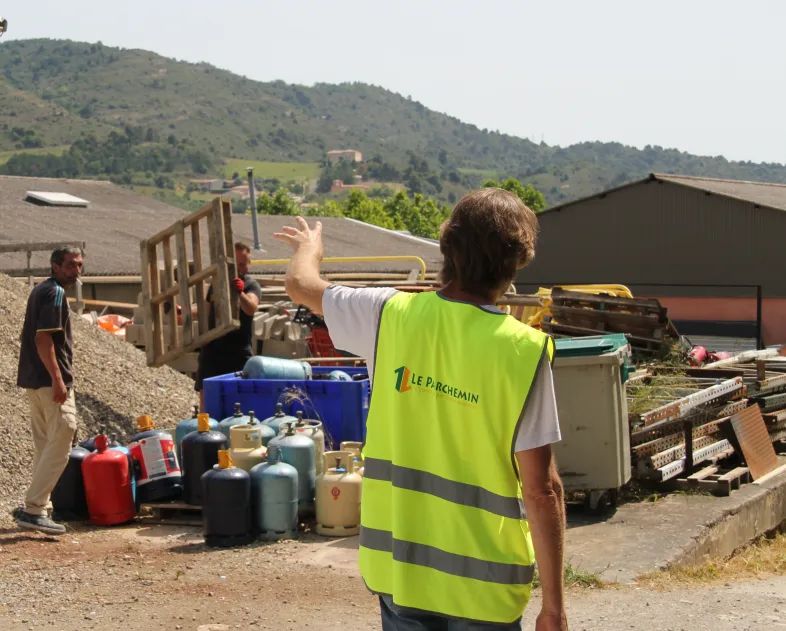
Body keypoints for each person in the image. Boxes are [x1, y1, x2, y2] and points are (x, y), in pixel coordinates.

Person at [274, 189, 568, 631]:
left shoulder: (386, 315)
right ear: (515, 264)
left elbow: (300, 285)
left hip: (402, 571)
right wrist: (554, 607)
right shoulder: (522, 351)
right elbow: (541, 491)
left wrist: (309, 249)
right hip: (484, 585)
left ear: (446, 247)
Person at [12, 246, 84, 536]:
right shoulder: (54, 293)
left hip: (34, 380)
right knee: (65, 430)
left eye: (79, 265)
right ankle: (34, 507)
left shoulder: (40, 290)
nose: (76, 271)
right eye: (70, 265)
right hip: (48, 380)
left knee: (44, 444)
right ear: (55, 266)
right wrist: (58, 379)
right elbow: (44, 340)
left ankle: (39, 509)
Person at [194, 241, 262, 395]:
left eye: (244, 265)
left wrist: (240, 293)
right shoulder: (216, 284)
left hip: (237, 351)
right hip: (212, 349)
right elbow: (206, 310)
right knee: (207, 397)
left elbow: (251, 308)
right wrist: (179, 312)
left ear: (249, 264)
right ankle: (206, 420)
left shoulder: (251, 285)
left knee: (241, 397)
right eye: (236, 264)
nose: (240, 269)